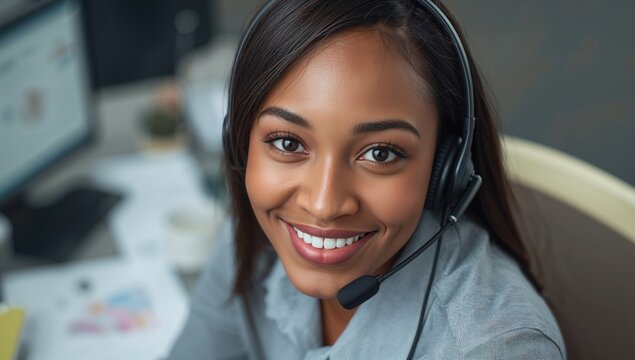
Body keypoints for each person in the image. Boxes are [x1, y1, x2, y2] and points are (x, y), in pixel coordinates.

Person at [169, 0, 565, 359]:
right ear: (239, 144)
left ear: (445, 167)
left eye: (380, 153)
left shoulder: (498, 349)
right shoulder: (256, 236)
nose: (323, 205)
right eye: (288, 143)